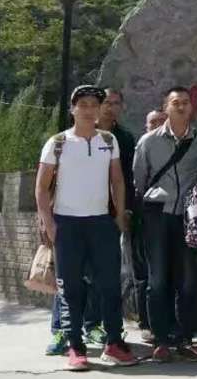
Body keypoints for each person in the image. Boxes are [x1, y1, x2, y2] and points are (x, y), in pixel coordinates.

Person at [35, 85, 137, 371]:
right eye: (83, 105)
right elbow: (41, 188)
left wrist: (118, 215)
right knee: (71, 289)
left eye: (94, 105)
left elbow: (117, 180)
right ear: (73, 109)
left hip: (101, 223)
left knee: (110, 286)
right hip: (67, 224)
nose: (89, 110)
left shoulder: (109, 140)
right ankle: (76, 348)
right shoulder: (57, 142)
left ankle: (114, 344)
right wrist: (49, 223)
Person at [133, 86, 197, 362]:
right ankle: (161, 340)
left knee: (188, 281)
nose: (181, 106)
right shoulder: (148, 141)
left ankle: (184, 338)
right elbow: (139, 180)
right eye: (175, 102)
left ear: (192, 107)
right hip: (157, 214)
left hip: (188, 218)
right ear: (166, 107)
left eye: (186, 102)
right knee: (157, 281)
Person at [98, 88, 147, 339]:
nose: (110, 107)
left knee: (112, 269)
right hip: (84, 210)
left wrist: (125, 208)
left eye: (116, 103)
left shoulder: (125, 138)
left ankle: (109, 326)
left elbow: (128, 177)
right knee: (81, 271)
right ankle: (79, 325)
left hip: (114, 211)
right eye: (106, 102)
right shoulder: (82, 133)